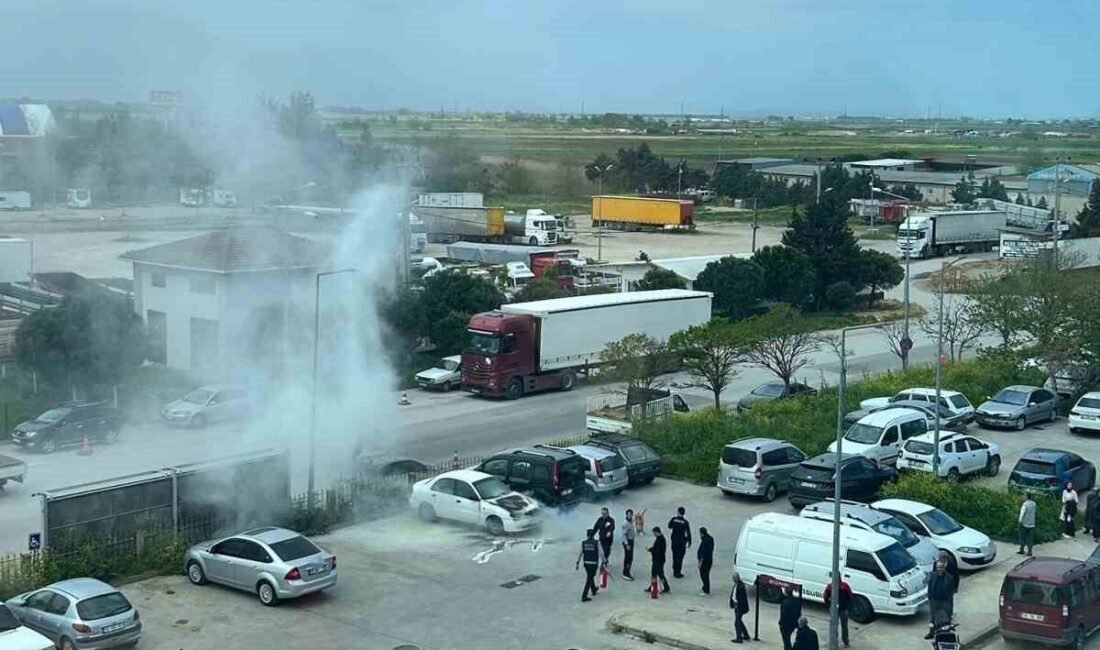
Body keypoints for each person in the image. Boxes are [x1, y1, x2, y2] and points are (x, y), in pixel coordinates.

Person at [925, 561, 957, 639]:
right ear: (936, 568)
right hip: (934, 600)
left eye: (941, 567)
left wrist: (949, 600)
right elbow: (929, 587)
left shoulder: (949, 577)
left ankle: (948, 633)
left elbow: (951, 591)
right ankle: (931, 633)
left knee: (948, 617)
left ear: (944, 568)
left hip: (945, 601)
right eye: (938, 567)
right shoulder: (932, 575)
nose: (939, 569)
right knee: (933, 618)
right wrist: (930, 597)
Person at [576, 528, 604, 602]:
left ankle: (594, 589)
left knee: (590, 576)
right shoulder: (597, 543)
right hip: (594, 563)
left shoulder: (584, 543)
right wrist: (604, 561)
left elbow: (580, 553)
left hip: (586, 563)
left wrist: (577, 562)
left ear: (587, 535)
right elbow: (601, 553)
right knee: (589, 579)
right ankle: (584, 596)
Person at [823, 578, 852, 648]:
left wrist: (828, 605)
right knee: (838, 627)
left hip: (842, 609)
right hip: (838, 610)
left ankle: (843, 642)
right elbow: (825, 596)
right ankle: (840, 642)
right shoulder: (832, 586)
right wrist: (829, 605)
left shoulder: (843, 586)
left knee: (840, 626)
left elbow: (850, 596)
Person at [668, 506, 693, 579]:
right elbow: (688, 533)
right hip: (682, 541)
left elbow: (669, 526)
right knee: (680, 556)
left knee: (675, 555)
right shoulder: (685, 522)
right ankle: (678, 572)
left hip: (674, 541)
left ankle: (674, 570)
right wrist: (689, 542)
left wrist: (672, 521)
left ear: (678, 512)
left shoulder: (674, 519)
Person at [646, 526, 671, 594]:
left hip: (659, 560)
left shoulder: (661, 540)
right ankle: (652, 586)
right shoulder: (659, 538)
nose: (654, 534)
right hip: (656, 559)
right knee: (654, 574)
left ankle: (666, 587)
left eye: (654, 533)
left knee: (660, 575)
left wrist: (651, 550)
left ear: (657, 532)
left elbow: (658, 550)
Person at [730, 573, 750, 644]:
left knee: (737, 623)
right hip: (736, 605)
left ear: (736, 578)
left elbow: (742, 599)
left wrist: (739, 607)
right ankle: (746, 635)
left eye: (734, 578)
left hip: (739, 607)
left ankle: (739, 638)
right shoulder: (736, 585)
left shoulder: (740, 586)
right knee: (739, 621)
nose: (732, 579)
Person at [697, 527, 714, 595]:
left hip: (705, 561)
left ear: (702, 533)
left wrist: (700, 561)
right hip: (709, 560)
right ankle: (705, 587)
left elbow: (704, 552)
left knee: (704, 575)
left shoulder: (706, 540)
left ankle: (706, 590)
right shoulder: (710, 538)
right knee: (705, 574)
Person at [621, 509, 637, 580]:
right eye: (629, 514)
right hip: (628, 542)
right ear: (626, 515)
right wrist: (627, 544)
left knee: (630, 558)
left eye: (631, 514)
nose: (630, 516)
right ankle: (626, 573)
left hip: (631, 541)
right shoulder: (625, 524)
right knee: (628, 558)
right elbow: (623, 535)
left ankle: (627, 571)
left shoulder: (631, 521)